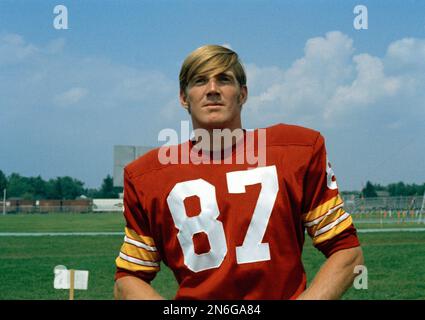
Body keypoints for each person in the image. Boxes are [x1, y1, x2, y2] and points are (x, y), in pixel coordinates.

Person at [114, 45, 364, 300]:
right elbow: (129, 278)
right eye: (200, 81)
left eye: (224, 79)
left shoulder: (296, 151)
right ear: (183, 97)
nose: (212, 89)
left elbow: (347, 252)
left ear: (242, 94)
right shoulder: (147, 176)